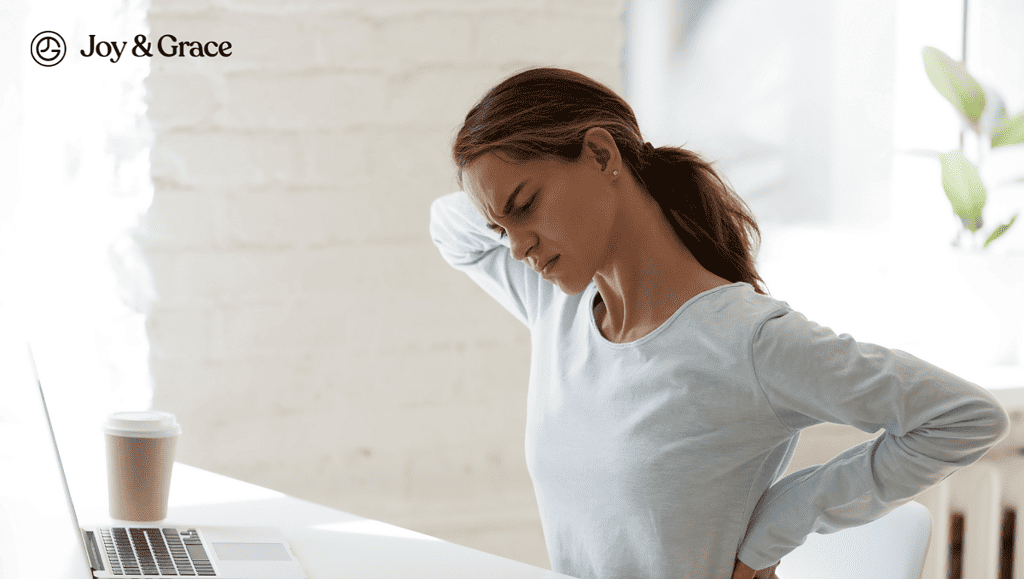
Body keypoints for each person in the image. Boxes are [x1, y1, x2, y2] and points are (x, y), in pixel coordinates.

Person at [428, 67, 1010, 579]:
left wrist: (779, 521)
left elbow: (963, 418)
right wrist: (501, 207)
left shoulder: (746, 341)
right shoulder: (556, 301)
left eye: (526, 204)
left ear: (602, 155)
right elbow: (447, 227)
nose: (518, 249)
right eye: (501, 231)